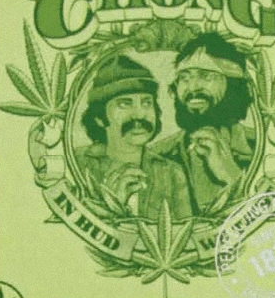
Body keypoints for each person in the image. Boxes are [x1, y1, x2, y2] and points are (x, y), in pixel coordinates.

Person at [149, 33, 257, 213]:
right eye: (184, 78)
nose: (192, 88)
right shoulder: (158, 156)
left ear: (233, 84)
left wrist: (232, 176)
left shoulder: (260, 147)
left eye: (206, 76)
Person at [75, 55, 192, 220]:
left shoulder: (171, 173)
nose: (139, 114)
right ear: (99, 117)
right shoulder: (78, 163)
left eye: (146, 103)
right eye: (124, 104)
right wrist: (111, 206)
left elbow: (186, 230)